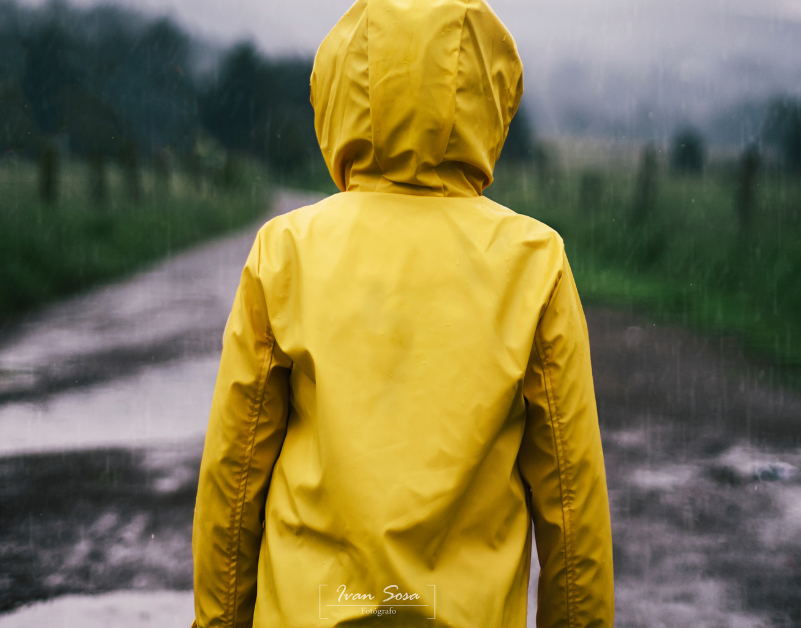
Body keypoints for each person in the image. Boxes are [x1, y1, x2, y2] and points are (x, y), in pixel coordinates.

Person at [190, 0, 614, 626]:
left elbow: (237, 468)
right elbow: (571, 502)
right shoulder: (533, 261)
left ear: (340, 90)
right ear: (490, 98)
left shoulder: (286, 252)